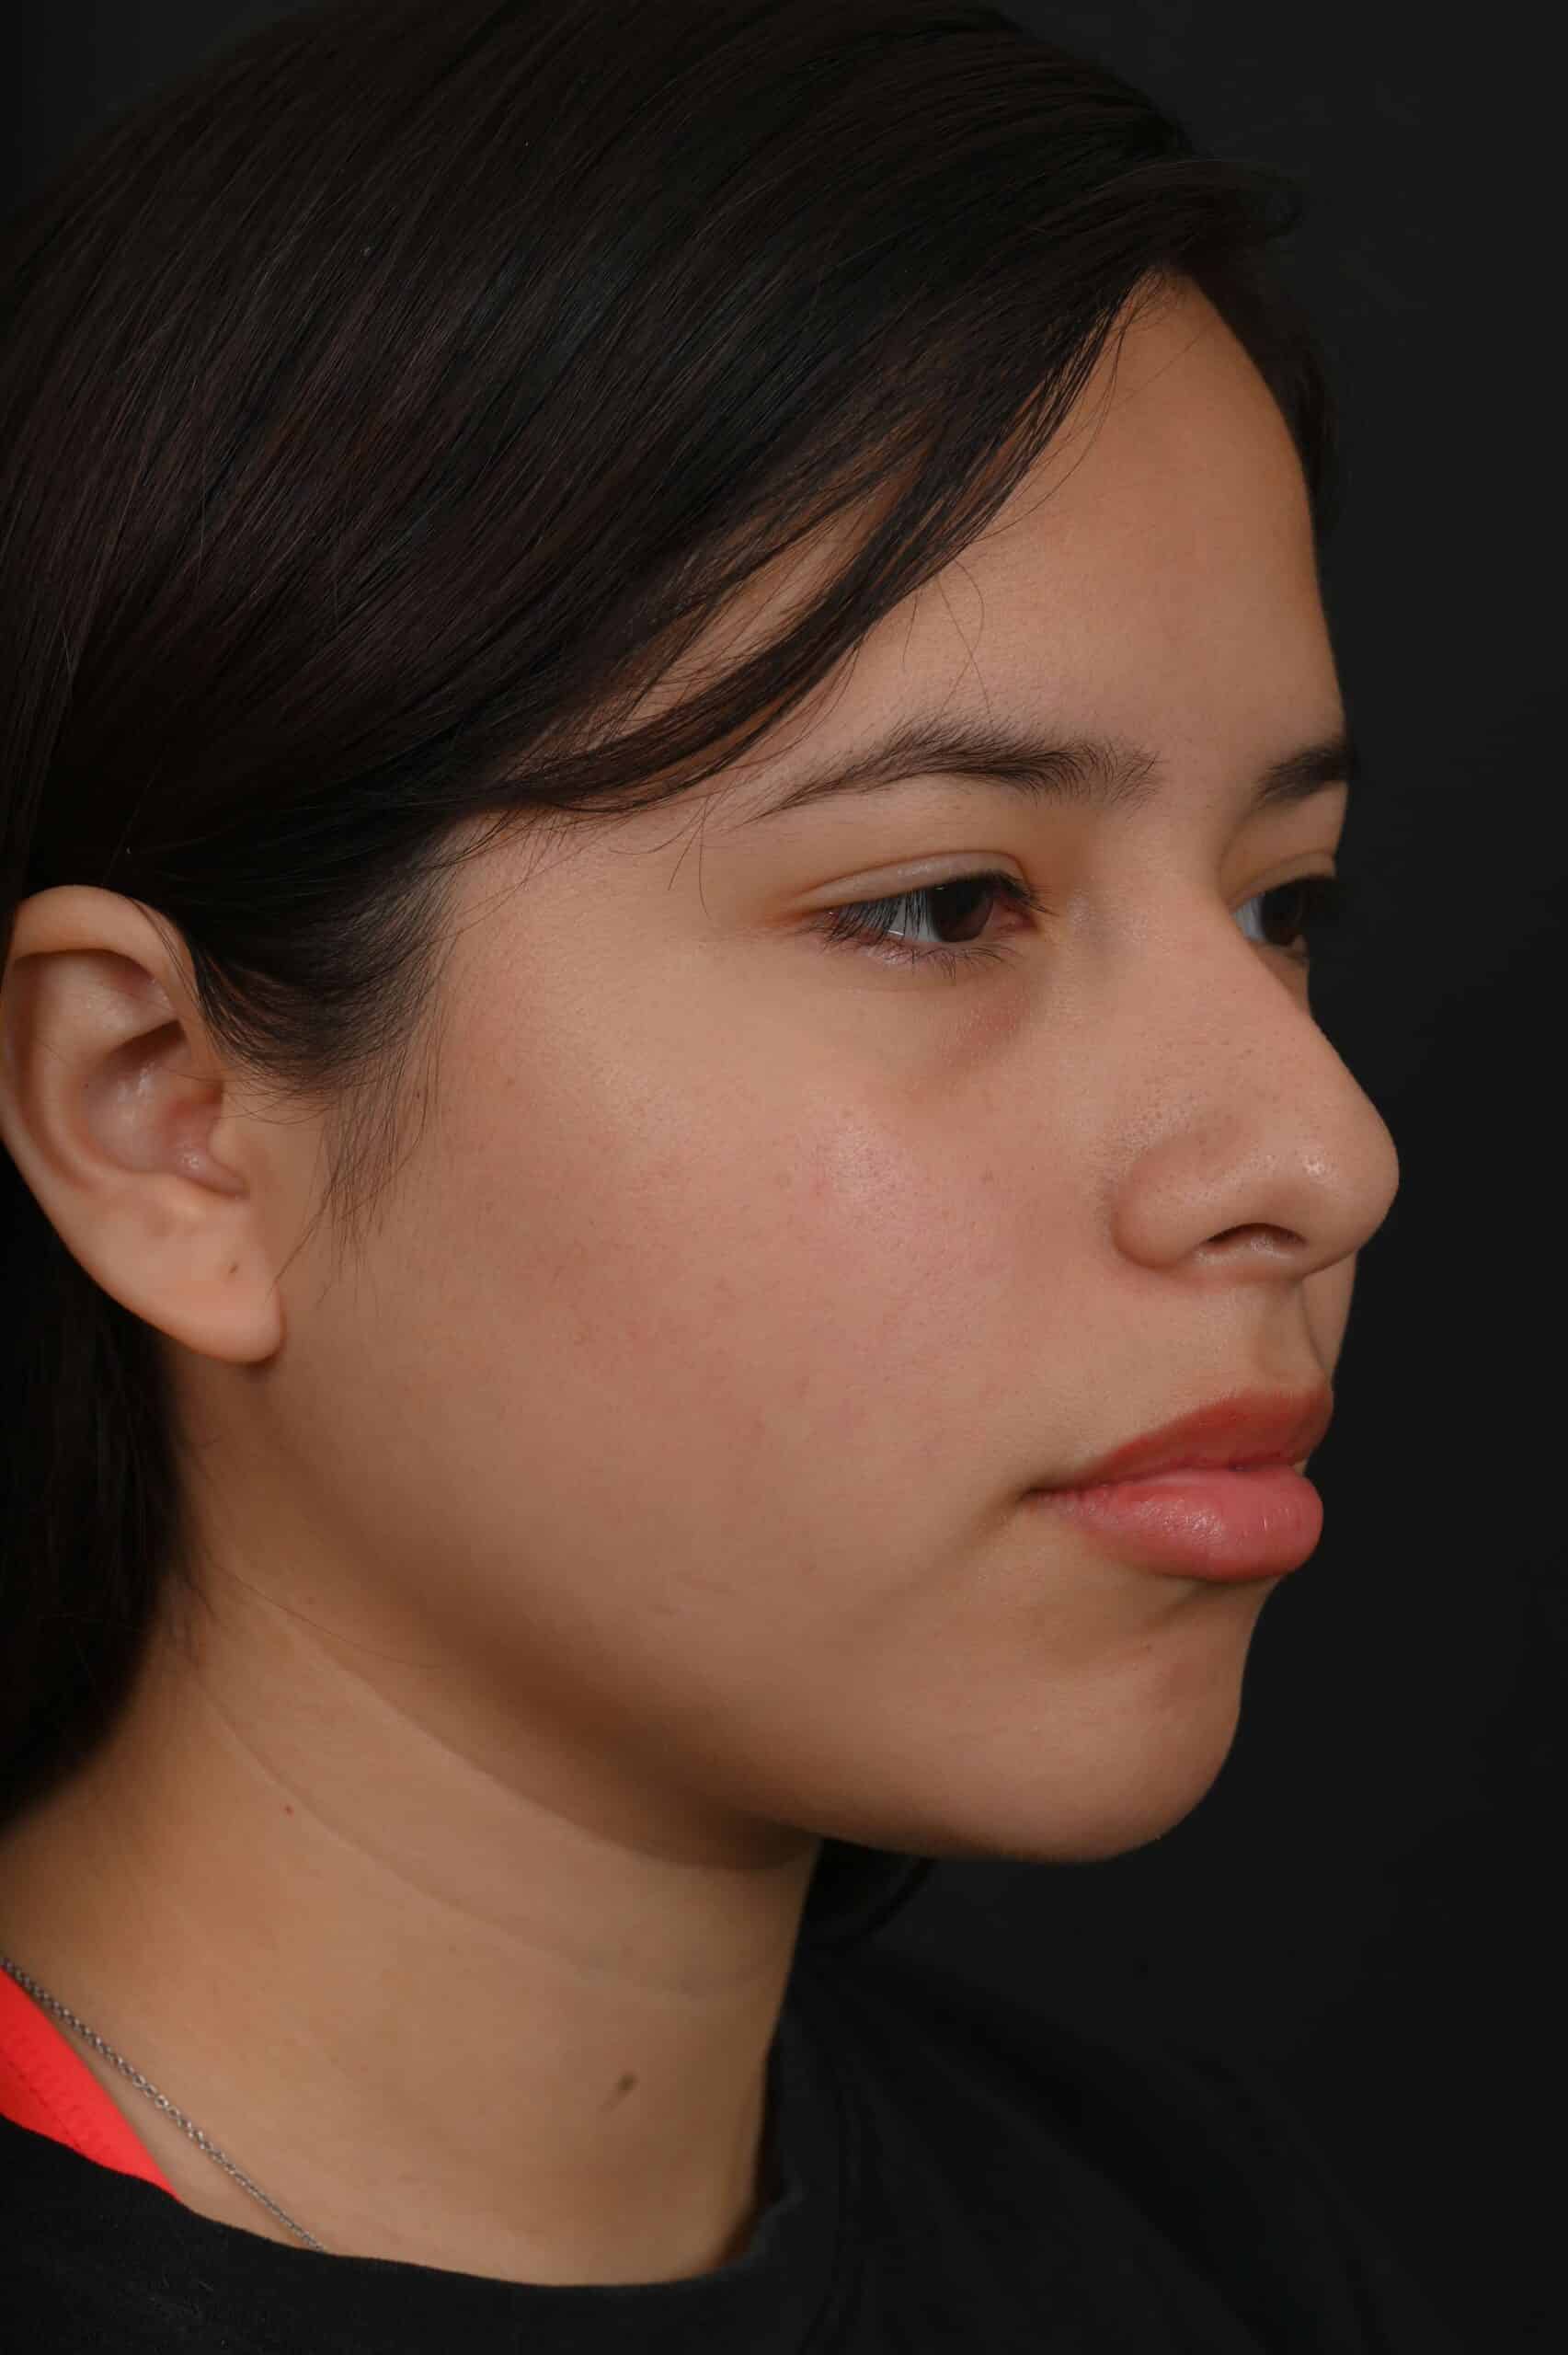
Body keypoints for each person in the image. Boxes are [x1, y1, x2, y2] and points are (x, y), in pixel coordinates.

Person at [0, 0, 1459, 2345]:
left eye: (1283, 901)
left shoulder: (1215, 2257)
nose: (1320, 1148)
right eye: (944, 904)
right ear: (159, 1111)